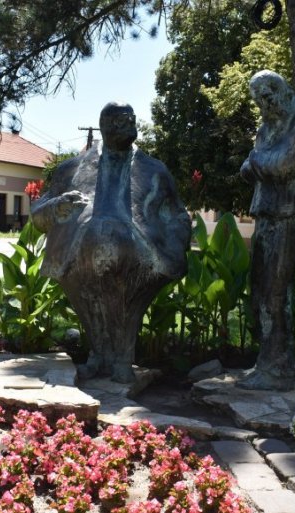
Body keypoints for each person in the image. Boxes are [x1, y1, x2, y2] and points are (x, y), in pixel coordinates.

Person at [31, 102, 191, 383]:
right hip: (79, 253)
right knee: (89, 298)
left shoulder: (155, 171)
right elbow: (38, 213)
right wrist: (57, 207)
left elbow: (178, 214)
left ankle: (122, 360)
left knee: (126, 294)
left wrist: (177, 242)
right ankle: (98, 357)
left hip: (139, 252)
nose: (130, 125)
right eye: (121, 121)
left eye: (132, 119)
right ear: (104, 126)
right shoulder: (71, 169)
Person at [238, 70, 295, 391]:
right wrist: (260, 161)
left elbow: (283, 166)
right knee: (259, 293)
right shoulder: (268, 126)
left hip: (291, 215)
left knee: (275, 294)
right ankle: (267, 362)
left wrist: (257, 160)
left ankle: (279, 368)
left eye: (266, 97)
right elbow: (250, 168)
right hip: (267, 213)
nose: (263, 106)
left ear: (281, 90)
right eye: (258, 101)